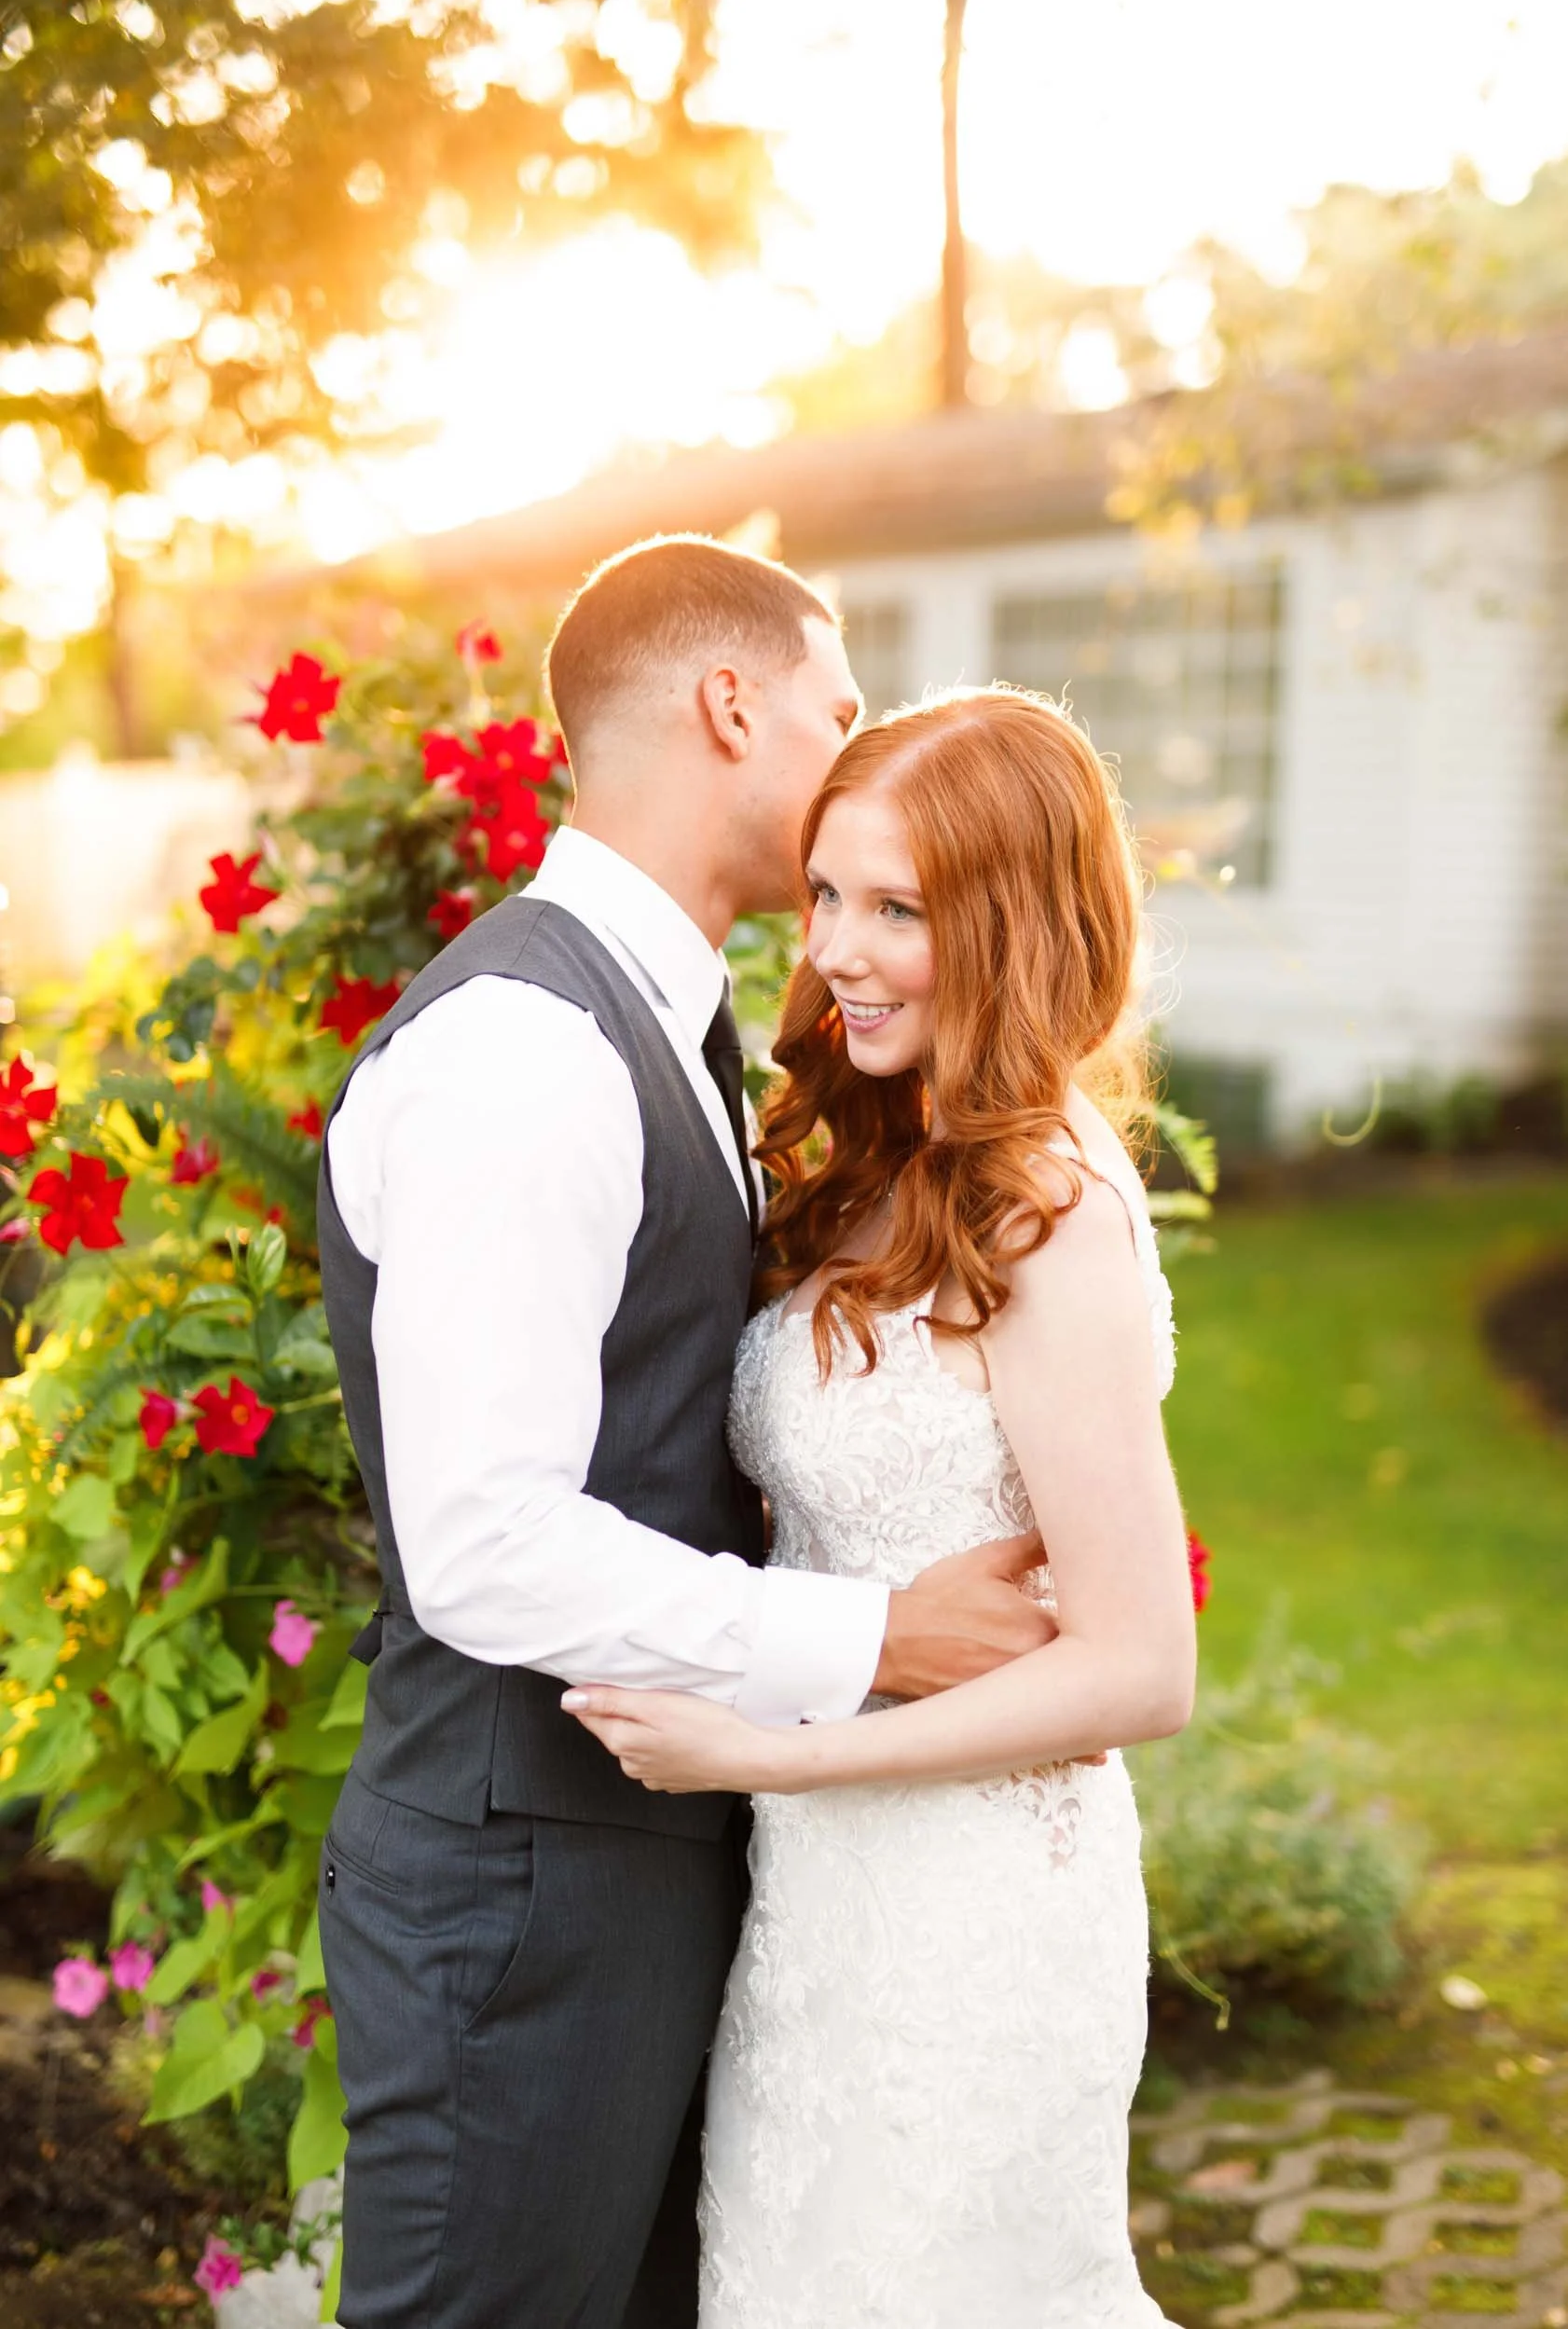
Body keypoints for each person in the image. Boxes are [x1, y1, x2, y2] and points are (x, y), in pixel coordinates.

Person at [314, 541, 1054, 2329]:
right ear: (732, 704)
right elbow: (485, 1538)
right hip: (522, 1891)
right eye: (838, 710)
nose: (859, 753)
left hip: (621, 1863)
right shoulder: (526, 1051)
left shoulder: (660, 1018)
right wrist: (874, 1639)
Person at [566, 687, 1196, 2328]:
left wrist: (773, 1753)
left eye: (898, 908)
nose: (835, 946)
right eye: (828, 892)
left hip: (974, 1913)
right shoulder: (877, 1153)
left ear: (1010, 924)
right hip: (825, 1887)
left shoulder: (1047, 1206)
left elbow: (1139, 1670)